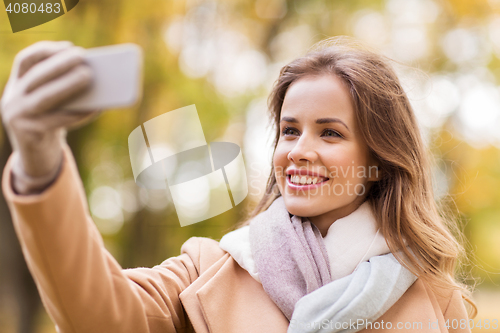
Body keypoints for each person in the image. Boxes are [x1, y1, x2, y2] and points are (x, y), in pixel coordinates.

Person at [0, 39, 475, 333]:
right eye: (290, 130)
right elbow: (96, 317)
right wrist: (41, 165)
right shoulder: (210, 271)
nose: (299, 150)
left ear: (380, 158)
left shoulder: (434, 298)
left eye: (330, 132)